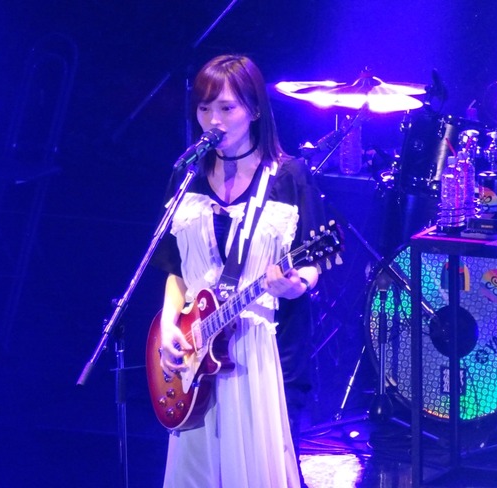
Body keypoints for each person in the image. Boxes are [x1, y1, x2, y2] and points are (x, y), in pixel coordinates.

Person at [152, 54, 325, 488]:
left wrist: (294, 285)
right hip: (194, 354)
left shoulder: (288, 176)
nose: (214, 120)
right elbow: (176, 270)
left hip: (258, 352)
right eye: (204, 108)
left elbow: (313, 262)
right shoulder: (187, 177)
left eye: (227, 108)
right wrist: (169, 326)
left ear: (254, 110)